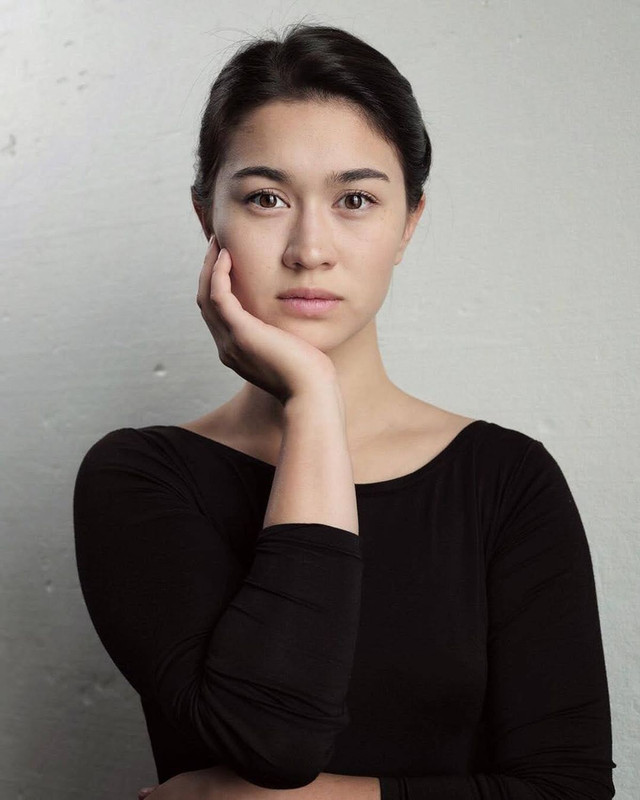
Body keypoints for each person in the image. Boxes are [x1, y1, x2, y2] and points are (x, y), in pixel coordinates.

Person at [73, 21, 616, 800]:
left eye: (355, 199)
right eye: (265, 198)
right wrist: (315, 401)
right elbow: (275, 740)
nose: (310, 248)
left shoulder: (506, 481)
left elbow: (569, 789)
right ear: (207, 219)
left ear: (409, 224)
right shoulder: (141, 478)